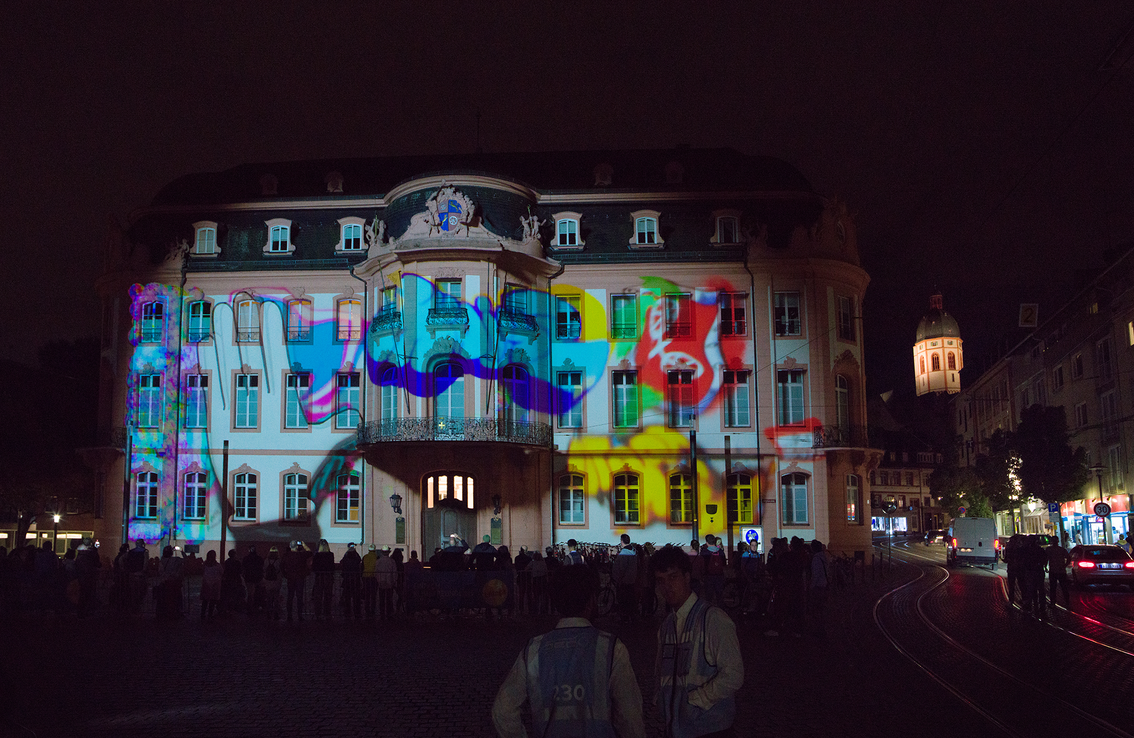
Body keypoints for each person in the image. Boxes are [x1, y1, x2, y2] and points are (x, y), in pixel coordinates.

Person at [491, 564, 646, 738]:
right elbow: (629, 715)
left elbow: (503, 710)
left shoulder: (534, 649)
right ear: (591, 600)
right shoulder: (611, 648)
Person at [652, 544, 743, 738]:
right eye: (660, 580)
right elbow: (661, 671)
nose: (666, 587)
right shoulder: (667, 625)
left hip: (710, 728)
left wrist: (698, 700)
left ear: (687, 577)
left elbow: (734, 674)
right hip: (676, 728)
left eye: (673, 577)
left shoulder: (713, 619)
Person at [612, 533, 639, 623]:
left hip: (624, 582)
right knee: (631, 600)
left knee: (623, 600)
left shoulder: (624, 553)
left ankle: (625, 618)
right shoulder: (634, 551)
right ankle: (632, 616)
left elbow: (622, 568)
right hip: (632, 580)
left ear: (621, 541)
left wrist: (618, 579)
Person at [283, 541, 311, 621]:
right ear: (297, 547)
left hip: (290, 578)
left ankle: (289, 615)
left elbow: (282, 565)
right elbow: (309, 552)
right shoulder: (301, 555)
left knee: (290, 597)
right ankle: (299, 615)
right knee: (299, 597)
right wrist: (304, 545)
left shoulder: (287, 555)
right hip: (299, 578)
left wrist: (285, 574)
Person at [808, 539, 830, 641]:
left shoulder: (816, 559)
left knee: (816, 610)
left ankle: (819, 631)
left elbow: (815, 575)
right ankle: (823, 629)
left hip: (817, 588)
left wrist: (811, 587)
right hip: (824, 586)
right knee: (821, 610)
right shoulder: (824, 557)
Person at [311, 539, 335, 620]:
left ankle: (318, 613)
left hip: (319, 577)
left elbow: (314, 567)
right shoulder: (331, 555)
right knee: (328, 596)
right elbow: (332, 567)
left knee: (318, 596)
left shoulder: (317, 555)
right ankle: (327, 613)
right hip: (328, 577)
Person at [1045, 538, 1072, 610]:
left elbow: (1046, 558)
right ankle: (1067, 602)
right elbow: (1068, 558)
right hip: (1061, 571)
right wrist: (1065, 565)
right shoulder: (1062, 550)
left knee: (1053, 587)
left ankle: (1053, 602)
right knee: (1064, 587)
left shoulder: (1049, 550)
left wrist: (1045, 566)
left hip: (1053, 571)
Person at [700, 535, 727, 607]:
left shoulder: (705, 552)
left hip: (709, 576)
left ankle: (709, 613)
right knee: (720, 596)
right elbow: (724, 563)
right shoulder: (720, 551)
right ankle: (721, 613)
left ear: (707, 542)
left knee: (709, 597)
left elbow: (702, 565)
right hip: (719, 576)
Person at [340, 542, 362, 619]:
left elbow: (342, 563)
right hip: (355, 579)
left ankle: (347, 611)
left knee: (347, 597)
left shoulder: (346, 557)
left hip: (347, 579)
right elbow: (359, 560)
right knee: (356, 597)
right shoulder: (356, 557)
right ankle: (357, 612)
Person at [375, 545, 398, 620]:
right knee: (389, 599)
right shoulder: (392, 561)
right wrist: (394, 581)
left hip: (381, 582)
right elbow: (394, 572)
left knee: (381, 599)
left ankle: (382, 613)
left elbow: (376, 572)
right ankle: (389, 613)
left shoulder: (378, 561)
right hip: (389, 582)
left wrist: (378, 580)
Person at [241, 545, 264, 615]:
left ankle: (250, 607)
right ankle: (256, 606)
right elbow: (261, 567)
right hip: (257, 578)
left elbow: (243, 568)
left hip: (249, 578)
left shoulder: (246, 558)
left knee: (250, 593)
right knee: (257, 592)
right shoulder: (259, 558)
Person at [200, 550, 222, 619]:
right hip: (215, 584)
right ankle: (210, 615)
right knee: (212, 601)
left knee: (205, 601)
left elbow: (202, 572)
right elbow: (221, 573)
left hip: (206, 584)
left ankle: (202, 614)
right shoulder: (218, 565)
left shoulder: (204, 565)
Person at [262, 546, 282, 619]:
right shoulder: (278, 560)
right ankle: (276, 613)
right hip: (276, 581)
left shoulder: (266, 560)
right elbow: (280, 570)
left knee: (269, 598)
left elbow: (264, 569)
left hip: (268, 581)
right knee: (276, 597)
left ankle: (268, 612)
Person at [361, 544, 380, 619]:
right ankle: (372, 609)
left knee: (367, 594)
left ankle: (367, 609)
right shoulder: (377, 557)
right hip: (374, 577)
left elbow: (362, 567)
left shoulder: (365, 557)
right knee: (373, 595)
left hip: (365, 577)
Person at [514, 545, 532, 615]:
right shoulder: (529, 558)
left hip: (521, 577)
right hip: (527, 577)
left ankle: (521, 609)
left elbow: (516, 567)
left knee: (521, 594)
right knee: (528, 594)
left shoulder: (517, 558)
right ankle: (530, 609)